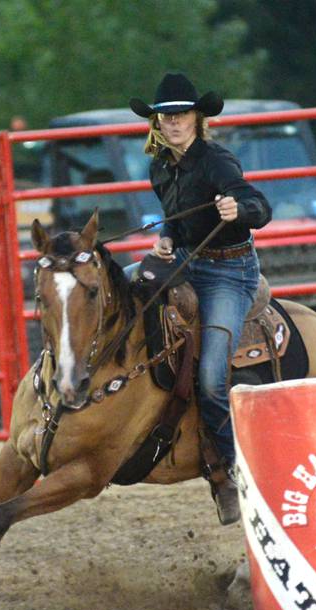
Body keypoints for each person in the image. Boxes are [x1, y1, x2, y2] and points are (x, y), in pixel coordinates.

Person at [129, 72, 272, 525]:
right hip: (189, 259)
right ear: (157, 122)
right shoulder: (160, 167)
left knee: (212, 378)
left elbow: (259, 207)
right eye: (166, 116)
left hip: (231, 271)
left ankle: (232, 472)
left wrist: (239, 210)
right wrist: (168, 237)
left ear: (196, 118)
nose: (173, 123)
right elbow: (175, 216)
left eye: (181, 114)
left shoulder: (217, 161)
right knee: (121, 291)